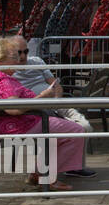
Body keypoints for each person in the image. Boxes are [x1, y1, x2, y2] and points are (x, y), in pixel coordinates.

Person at [0, 38, 87, 191]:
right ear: (0, 59)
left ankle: (39, 173)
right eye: (14, 57)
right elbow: (14, 109)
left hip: (6, 124)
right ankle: (46, 176)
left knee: (58, 133)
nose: (19, 61)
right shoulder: (3, 80)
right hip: (18, 126)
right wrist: (43, 96)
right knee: (76, 131)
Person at [7, 36, 96, 178]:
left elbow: (56, 85)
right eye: (19, 52)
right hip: (35, 110)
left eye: (26, 51)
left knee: (85, 127)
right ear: (9, 52)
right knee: (73, 131)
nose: (23, 56)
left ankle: (73, 166)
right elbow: (13, 103)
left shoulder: (37, 61)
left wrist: (56, 99)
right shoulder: (8, 72)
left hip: (55, 104)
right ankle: (48, 171)